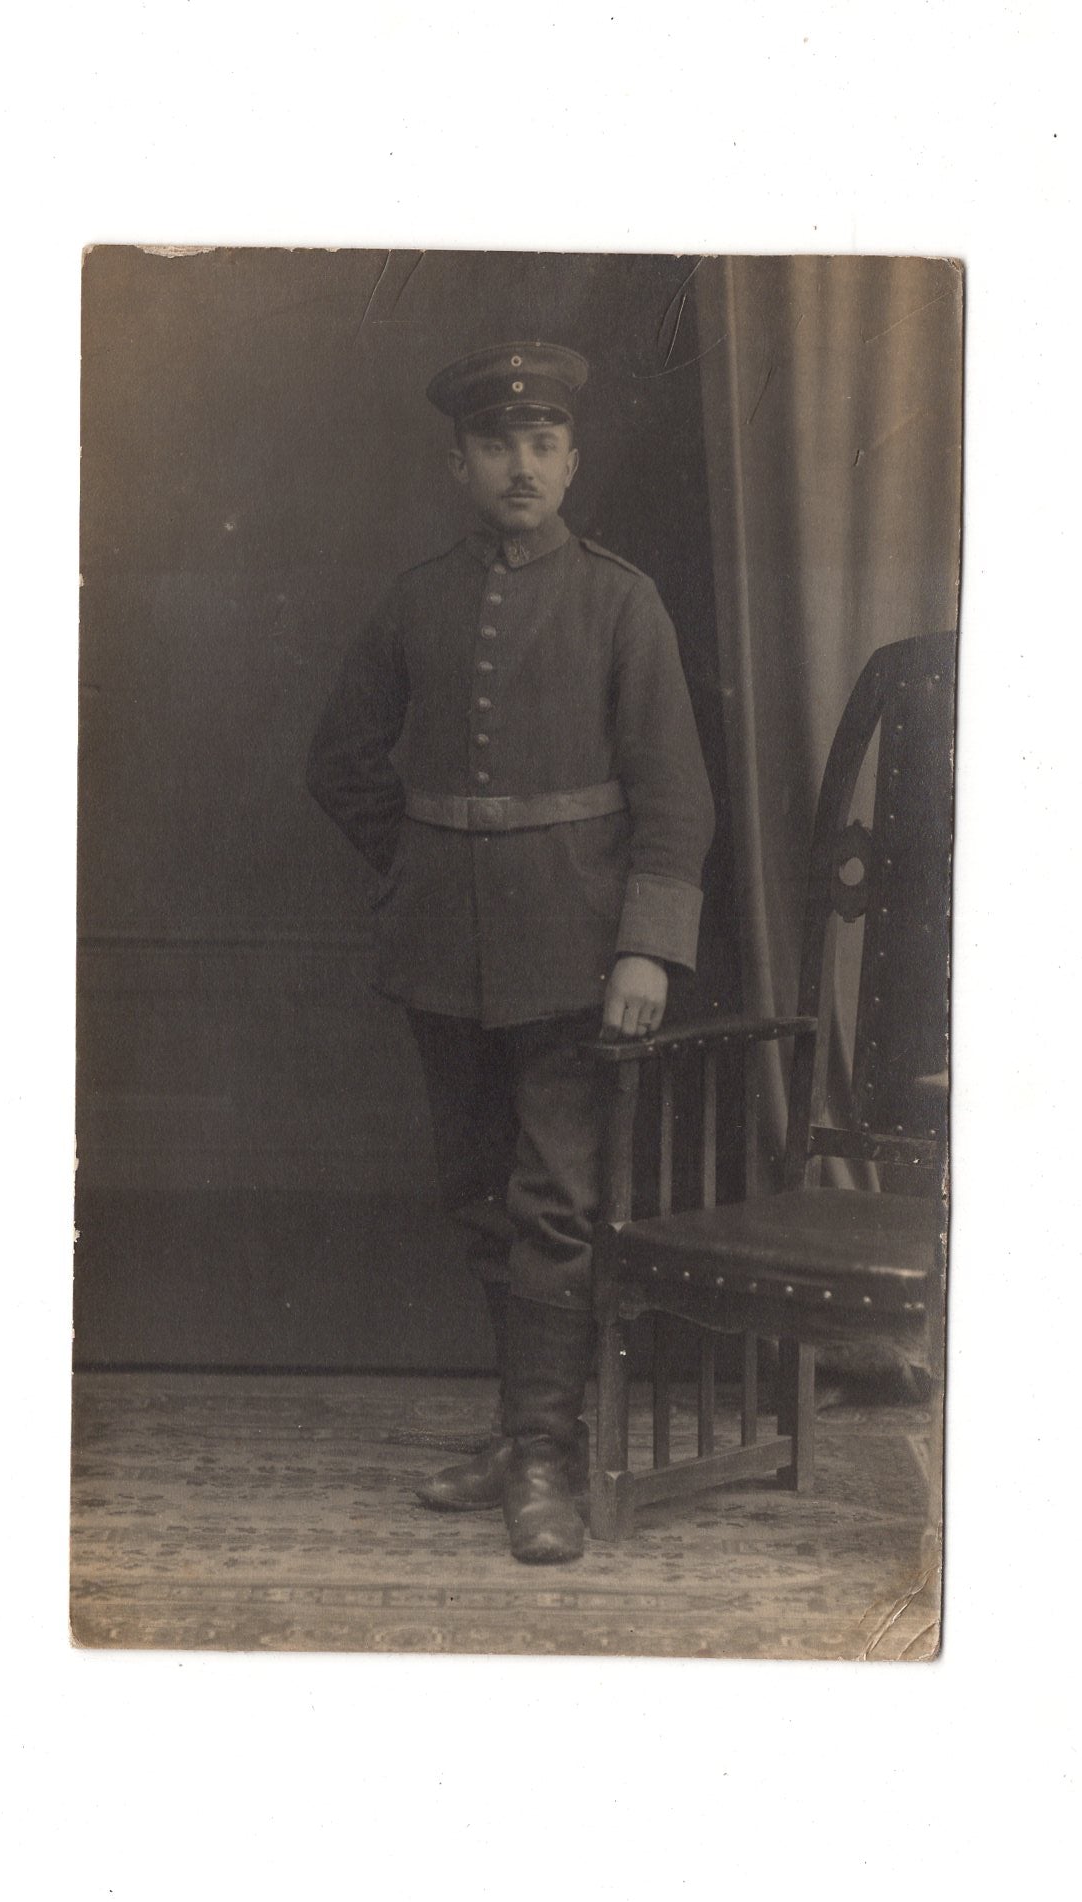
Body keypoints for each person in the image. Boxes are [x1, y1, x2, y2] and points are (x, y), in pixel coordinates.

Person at [307, 342, 714, 1562]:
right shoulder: (416, 599)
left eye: (542, 445)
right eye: (495, 446)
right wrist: (419, 867)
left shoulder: (619, 601)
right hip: (444, 950)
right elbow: (338, 762)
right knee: (481, 1199)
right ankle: (520, 1434)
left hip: (575, 953)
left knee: (554, 1206)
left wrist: (645, 949)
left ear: (572, 461)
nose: (519, 467)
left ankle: (544, 1458)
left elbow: (675, 798)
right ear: (459, 465)